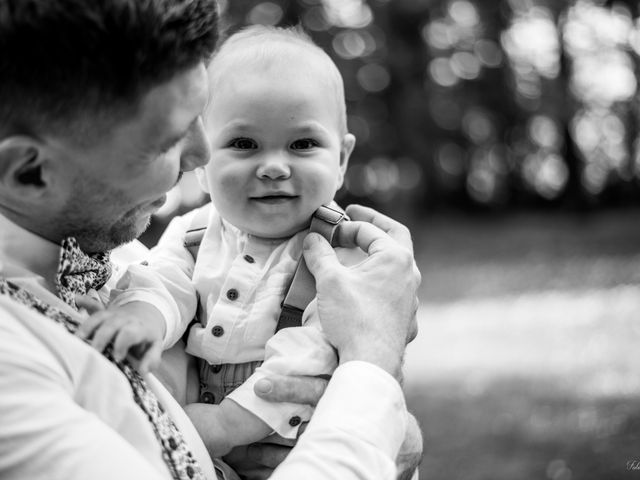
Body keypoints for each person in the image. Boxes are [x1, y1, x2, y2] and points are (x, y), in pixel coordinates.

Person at [0, 2, 420, 480]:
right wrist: (372, 371)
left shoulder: (116, 252)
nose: (201, 155)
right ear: (29, 172)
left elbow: (321, 360)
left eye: (303, 144)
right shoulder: (14, 372)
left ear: (341, 158)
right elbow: (166, 285)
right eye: (168, 138)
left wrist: (392, 438)